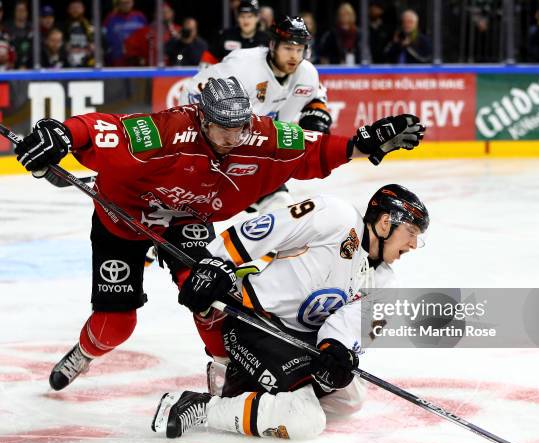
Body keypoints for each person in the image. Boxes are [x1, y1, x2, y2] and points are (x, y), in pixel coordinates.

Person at [14, 76, 426, 392]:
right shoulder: (168, 130)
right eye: (224, 130)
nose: (234, 138)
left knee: (211, 291)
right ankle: (83, 354)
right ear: (202, 119)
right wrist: (62, 133)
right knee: (115, 323)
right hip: (126, 213)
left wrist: (362, 143)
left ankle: (224, 368)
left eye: (240, 127)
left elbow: (313, 149)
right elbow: (105, 129)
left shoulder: (258, 136)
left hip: (187, 219)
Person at [151, 184, 429, 439]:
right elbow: (268, 229)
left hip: (297, 339)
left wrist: (337, 351)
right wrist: (215, 261)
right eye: (411, 234)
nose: (414, 245)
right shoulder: (337, 216)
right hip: (254, 320)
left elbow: (348, 327)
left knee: (350, 398)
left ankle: (250, 391)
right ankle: (202, 408)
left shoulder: (385, 282)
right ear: (385, 223)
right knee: (305, 420)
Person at [182, 16, 334, 213]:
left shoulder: (306, 73)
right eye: (288, 48)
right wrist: (209, 138)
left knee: (281, 206)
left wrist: (316, 120)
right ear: (273, 45)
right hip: (216, 152)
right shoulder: (243, 65)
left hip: (256, 155)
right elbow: (194, 90)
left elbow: (316, 96)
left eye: (299, 50)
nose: (294, 56)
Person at [124, 1, 180, 66]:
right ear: (155, 14)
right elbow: (130, 52)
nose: (165, 15)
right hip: (150, 72)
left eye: (168, 12)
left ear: (172, 13)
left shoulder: (179, 31)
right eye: (162, 12)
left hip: (174, 73)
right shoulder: (143, 32)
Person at [103, 0, 147, 66]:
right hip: (117, 59)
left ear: (132, 3)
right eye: (123, 3)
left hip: (137, 58)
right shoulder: (110, 18)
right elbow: (104, 37)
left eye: (128, 2)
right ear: (118, 4)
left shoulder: (139, 16)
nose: (126, 5)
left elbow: (146, 35)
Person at [63, 0, 94, 67]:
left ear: (83, 9)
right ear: (68, 10)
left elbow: (99, 45)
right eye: (73, 8)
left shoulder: (90, 25)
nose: (75, 10)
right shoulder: (63, 26)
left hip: (88, 63)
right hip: (68, 64)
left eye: (78, 7)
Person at [6, 0, 32, 69]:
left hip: (29, 66)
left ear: (27, 12)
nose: (21, 13)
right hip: (12, 66)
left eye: (23, 10)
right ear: (15, 12)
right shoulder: (7, 29)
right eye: (19, 10)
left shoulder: (32, 29)